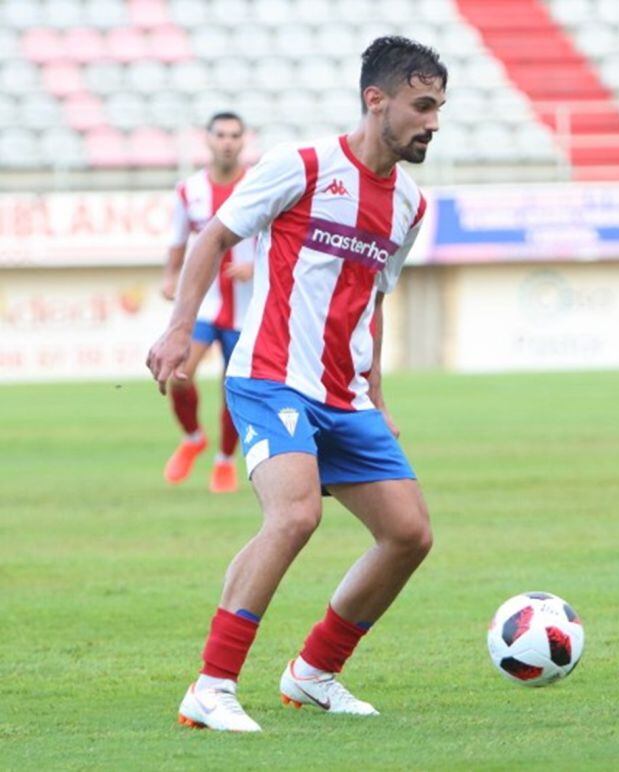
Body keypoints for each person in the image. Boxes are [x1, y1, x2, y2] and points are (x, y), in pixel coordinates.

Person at [146, 36, 446, 732]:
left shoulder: (410, 203)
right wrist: (178, 330)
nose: (433, 121)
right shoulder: (303, 165)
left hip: (346, 394)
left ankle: (313, 673)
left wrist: (379, 395)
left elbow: (372, 301)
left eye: (439, 108)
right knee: (295, 515)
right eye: (421, 105)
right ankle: (212, 686)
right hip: (272, 378)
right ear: (377, 101)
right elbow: (211, 238)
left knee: (409, 534)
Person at [161, 112, 256, 493]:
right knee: (178, 374)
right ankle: (193, 438)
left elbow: (278, 237)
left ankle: (224, 460)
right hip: (205, 304)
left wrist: (254, 264)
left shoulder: (258, 185)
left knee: (233, 389)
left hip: (247, 309)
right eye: (221, 135)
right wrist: (170, 276)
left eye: (235, 135)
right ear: (209, 139)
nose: (228, 142)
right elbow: (178, 239)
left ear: (243, 141)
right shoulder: (190, 189)